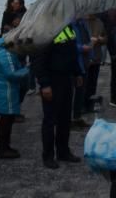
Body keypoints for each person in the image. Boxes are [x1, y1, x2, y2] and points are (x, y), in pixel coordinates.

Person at [31, 21, 84, 169]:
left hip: (67, 78)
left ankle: (63, 151)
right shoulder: (45, 31)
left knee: (65, 118)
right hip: (52, 80)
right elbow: (38, 60)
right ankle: (48, 156)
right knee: (50, 119)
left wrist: (77, 72)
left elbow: (72, 52)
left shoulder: (67, 28)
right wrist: (44, 84)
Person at [0, 34, 29, 159]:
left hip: (1, 87)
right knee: (6, 119)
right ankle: (4, 148)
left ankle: (5, 146)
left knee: (5, 118)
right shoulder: (5, 54)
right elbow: (12, 74)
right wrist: (27, 69)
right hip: (6, 89)